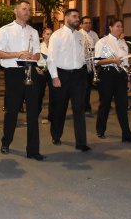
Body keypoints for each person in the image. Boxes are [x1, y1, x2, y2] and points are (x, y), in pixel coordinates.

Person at [0, 1, 45, 161]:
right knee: (12, 111)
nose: (27, 12)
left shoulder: (33, 32)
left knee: (33, 112)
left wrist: (33, 56)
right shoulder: (5, 30)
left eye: (29, 10)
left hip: (31, 71)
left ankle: (33, 150)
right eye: (24, 9)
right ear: (15, 11)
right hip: (14, 74)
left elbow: (38, 53)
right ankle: (6, 142)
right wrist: (18, 54)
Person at [46, 9, 91, 152]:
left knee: (79, 108)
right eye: (75, 16)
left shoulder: (80, 36)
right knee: (60, 108)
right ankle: (56, 134)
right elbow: (51, 58)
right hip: (62, 76)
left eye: (78, 16)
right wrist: (54, 77)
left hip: (78, 76)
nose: (77, 19)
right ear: (66, 18)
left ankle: (81, 142)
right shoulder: (57, 35)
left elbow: (81, 55)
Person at [94, 19, 131, 142]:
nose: (120, 29)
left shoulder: (123, 43)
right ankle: (100, 129)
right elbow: (97, 61)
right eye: (117, 26)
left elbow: (125, 63)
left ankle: (126, 134)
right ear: (111, 27)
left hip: (121, 75)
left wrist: (128, 79)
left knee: (122, 105)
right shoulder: (103, 42)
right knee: (105, 104)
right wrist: (113, 61)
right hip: (107, 74)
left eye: (121, 27)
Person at [79, 16, 99, 114]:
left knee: (88, 87)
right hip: (82, 64)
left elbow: (98, 47)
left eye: (89, 23)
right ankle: (84, 106)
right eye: (85, 23)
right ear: (81, 24)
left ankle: (86, 105)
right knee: (83, 87)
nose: (88, 25)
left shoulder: (94, 34)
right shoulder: (78, 34)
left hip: (92, 63)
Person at [37, 27, 54, 125]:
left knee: (53, 94)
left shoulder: (55, 46)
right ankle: (35, 114)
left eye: (51, 34)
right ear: (43, 35)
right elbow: (34, 59)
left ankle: (51, 116)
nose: (49, 36)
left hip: (52, 71)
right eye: (47, 34)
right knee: (39, 94)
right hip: (41, 71)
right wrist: (36, 68)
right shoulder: (38, 46)